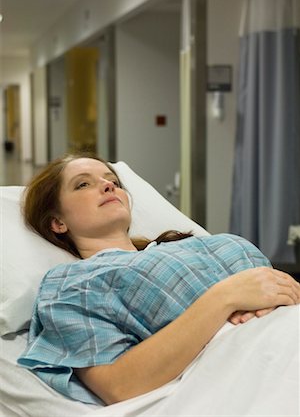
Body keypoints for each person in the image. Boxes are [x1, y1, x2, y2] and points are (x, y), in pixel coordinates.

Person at [18, 154, 300, 406]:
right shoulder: (73, 284)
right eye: (83, 184)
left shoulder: (192, 244)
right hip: (249, 365)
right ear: (57, 222)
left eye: (112, 180)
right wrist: (225, 298)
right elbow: (119, 386)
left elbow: (276, 293)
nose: (108, 186)